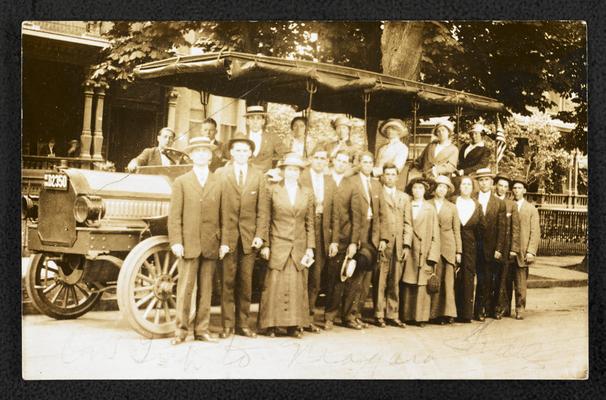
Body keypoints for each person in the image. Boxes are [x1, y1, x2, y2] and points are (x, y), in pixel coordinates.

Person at [167, 136, 221, 345]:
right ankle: (180, 332)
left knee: (206, 290)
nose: (200, 154)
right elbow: (174, 216)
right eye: (197, 151)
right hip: (187, 244)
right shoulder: (181, 182)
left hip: (210, 243)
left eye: (204, 151)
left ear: (209, 156)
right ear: (191, 155)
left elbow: (225, 214)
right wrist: (176, 242)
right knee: (185, 289)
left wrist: (223, 242)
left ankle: (202, 330)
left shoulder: (218, 181)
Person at [257, 153, 315, 338]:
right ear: (283, 171)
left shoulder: (307, 192)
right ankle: (271, 325)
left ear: (300, 173)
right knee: (274, 285)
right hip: (278, 243)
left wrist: (310, 247)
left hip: (299, 245)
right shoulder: (272, 190)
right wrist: (265, 244)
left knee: (297, 286)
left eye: (296, 170)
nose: (292, 173)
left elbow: (310, 223)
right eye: (289, 169)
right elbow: (265, 218)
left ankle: (294, 326)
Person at [216, 133, 267, 339]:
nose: (241, 154)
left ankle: (243, 324)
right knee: (227, 282)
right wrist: (220, 238)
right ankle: (227, 325)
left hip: (249, 239)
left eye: (245, 150)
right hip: (227, 238)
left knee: (246, 283)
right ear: (231, 152)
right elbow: (215, 208)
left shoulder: (259, 175)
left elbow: (263, 209)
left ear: (251, 153)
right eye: (237, 150)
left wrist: (260, 235)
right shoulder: (220, 173)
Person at [298, 144, 337, 333]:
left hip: (323, 234)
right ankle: (296, 318)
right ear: (311, 159)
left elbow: (335, 213)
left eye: (324, 158)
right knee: (300, 275)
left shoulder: (330, 181)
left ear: (327, 162)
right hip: (303, 231)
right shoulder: (301, 177)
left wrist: (334, 240)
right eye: (317, 158)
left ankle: (308, 317)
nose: (320, 161)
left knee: (315, 277)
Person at [344, 151, 382, 330]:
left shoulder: (376, 184)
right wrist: (354, 238)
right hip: (358, 233)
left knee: (366, 279)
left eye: (370, 162)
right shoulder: (351, 182)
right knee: (355, 276)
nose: (367, 165)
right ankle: (348, 315)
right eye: (364, 162)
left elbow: (380, 214)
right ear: (359, 163)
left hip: (372, 236)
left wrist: (381, 237)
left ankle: (357, 314)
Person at [323, 149, 359, 330]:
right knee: (319, 277)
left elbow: (356, 215)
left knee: (338, 278)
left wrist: (353, 242)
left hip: (344, 238)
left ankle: (330, 315)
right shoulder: (323, 180)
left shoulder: (351, 185)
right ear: (333, 161)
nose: (341, 164)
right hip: (322, 236)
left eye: (346, 162)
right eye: (339, 160)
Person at [374, 163, 412, 328]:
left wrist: (406, 244)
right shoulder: (377, 194)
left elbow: (408, 223)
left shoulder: (404, 197)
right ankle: (378, 314)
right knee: (381, 279)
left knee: (395, 280)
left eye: (392, 174)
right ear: (383, 177)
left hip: (398, 245)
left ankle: (393, 313)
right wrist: (378, 240)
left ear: (397, 177)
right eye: (387, 174)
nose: (389, 177)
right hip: (383, 243)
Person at [400, 177, 441, 327]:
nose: (417, 191)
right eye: (415, 188)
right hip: (411, 249)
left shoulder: (430, 209)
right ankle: (407, 315)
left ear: (425, 191)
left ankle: (421, 317)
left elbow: (436, 234)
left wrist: (433, 255)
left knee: (422, 284)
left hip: (425, 250)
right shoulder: (407, 206)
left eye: (420, 189)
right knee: (409, 282)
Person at [472, 167, 506, 321]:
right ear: (477, 182)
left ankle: (482, 309)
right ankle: (466, 310)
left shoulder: (499, 203)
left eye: (487, 180)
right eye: (481, 180)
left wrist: (499, 248)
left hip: (490, 248)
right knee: (467, 278)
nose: (484, 183)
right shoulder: (471, 198)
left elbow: (502, 228)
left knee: (485, 280)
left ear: (492, 182)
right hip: (472, 246)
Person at [428, 175, 462, 324]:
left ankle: (447, 314)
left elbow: (456, 230)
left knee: (448, 282)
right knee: (433, 279)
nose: (441, 189)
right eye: (439, 186)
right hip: (431, 246)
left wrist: (458, 251)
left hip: (448, 247)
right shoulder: (428, 204)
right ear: (434, 188)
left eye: (444, 187)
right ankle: (432, 314)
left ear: (448, 190)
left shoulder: (452, 207)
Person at [510, 176, 541, 320]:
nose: (516, 191)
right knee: (504, 281)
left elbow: (535, 232)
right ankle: (503, 308)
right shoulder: (507, 205)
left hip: (522, 251)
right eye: (515, 188)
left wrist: (531, 251)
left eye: (519, 188)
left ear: (524, 190)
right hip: (507, 250)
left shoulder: (531, 209)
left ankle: (520, 308)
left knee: (520, 282)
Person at [454, 176, 482, 323]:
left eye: (468, 185)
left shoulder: (476, 205)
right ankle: (451, 313)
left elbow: (480, 230)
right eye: (463, 184)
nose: (465, 187)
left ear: (472, 188)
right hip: (453, 242)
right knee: (453, 276)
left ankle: (465, 314)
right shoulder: (453, 202)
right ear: (459, 187)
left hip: (471, 246)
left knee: (468, 278)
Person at [494, 173, 520, 319]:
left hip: (506, 246)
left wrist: (514, 249)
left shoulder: (512, 205)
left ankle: (500, 308)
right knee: (489, 277)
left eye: (505, 186)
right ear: (496, 186)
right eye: (500, 185)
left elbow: (515, 228)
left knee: (502, 279)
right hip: (490, 245)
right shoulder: (489, 201)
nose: (502, 189)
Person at [243, 105, 287, 172]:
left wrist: (278, 169)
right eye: (252, 118)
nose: (255, 122)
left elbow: (286, 154)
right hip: (246, 178)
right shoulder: (242, 139)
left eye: (258, 118)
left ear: (263, 121)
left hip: (265, 178)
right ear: (247, 121)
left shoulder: (272, 138)